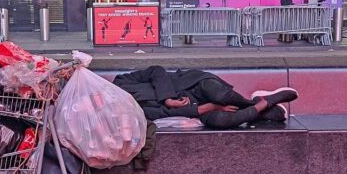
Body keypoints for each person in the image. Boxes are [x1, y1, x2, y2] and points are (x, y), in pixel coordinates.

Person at [114, 66, 298, 129]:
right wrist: (210, 108)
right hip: (195, 109)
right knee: (220, 120)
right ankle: (262, 105)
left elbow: (156, 71)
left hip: (193, 84)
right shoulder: (131, 112)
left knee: (219, 94)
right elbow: (162, 114)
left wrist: (167, 98)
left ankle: (255, 103)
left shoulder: (121, 82)